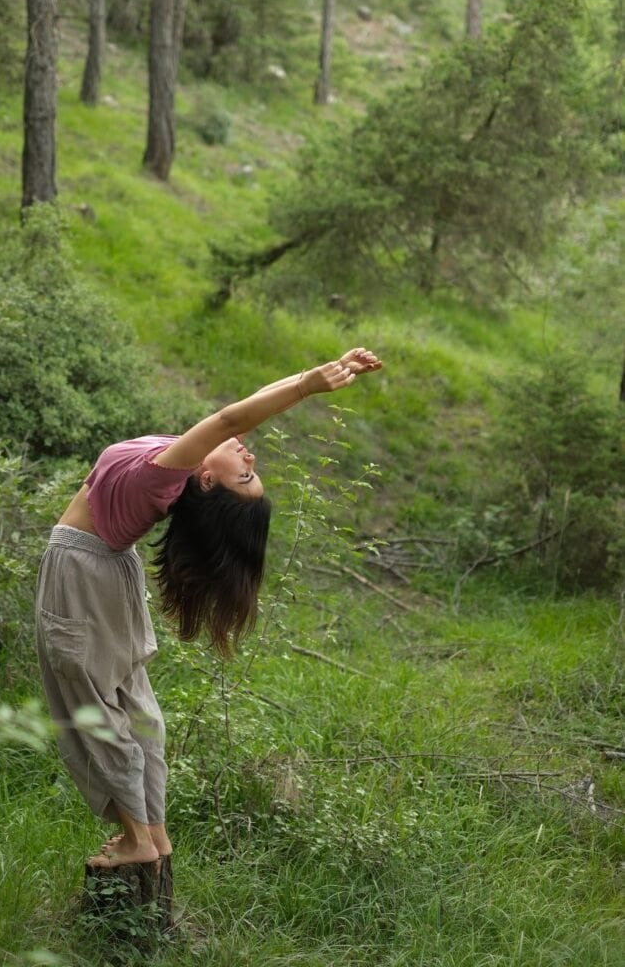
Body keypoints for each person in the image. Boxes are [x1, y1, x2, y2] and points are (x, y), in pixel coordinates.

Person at [35, 347, 382, 869]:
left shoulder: (163, 475)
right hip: (106, 572)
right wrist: (325, 370)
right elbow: (247, 409)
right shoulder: (182, 464)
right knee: (131, 705)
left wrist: (310, 386)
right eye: (250, 469)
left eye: (244, 476)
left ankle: (138, 840)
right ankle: (154, 834)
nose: (250, 459)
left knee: (94, 708)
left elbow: (231, 416)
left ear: (205, 482)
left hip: (82, 574)